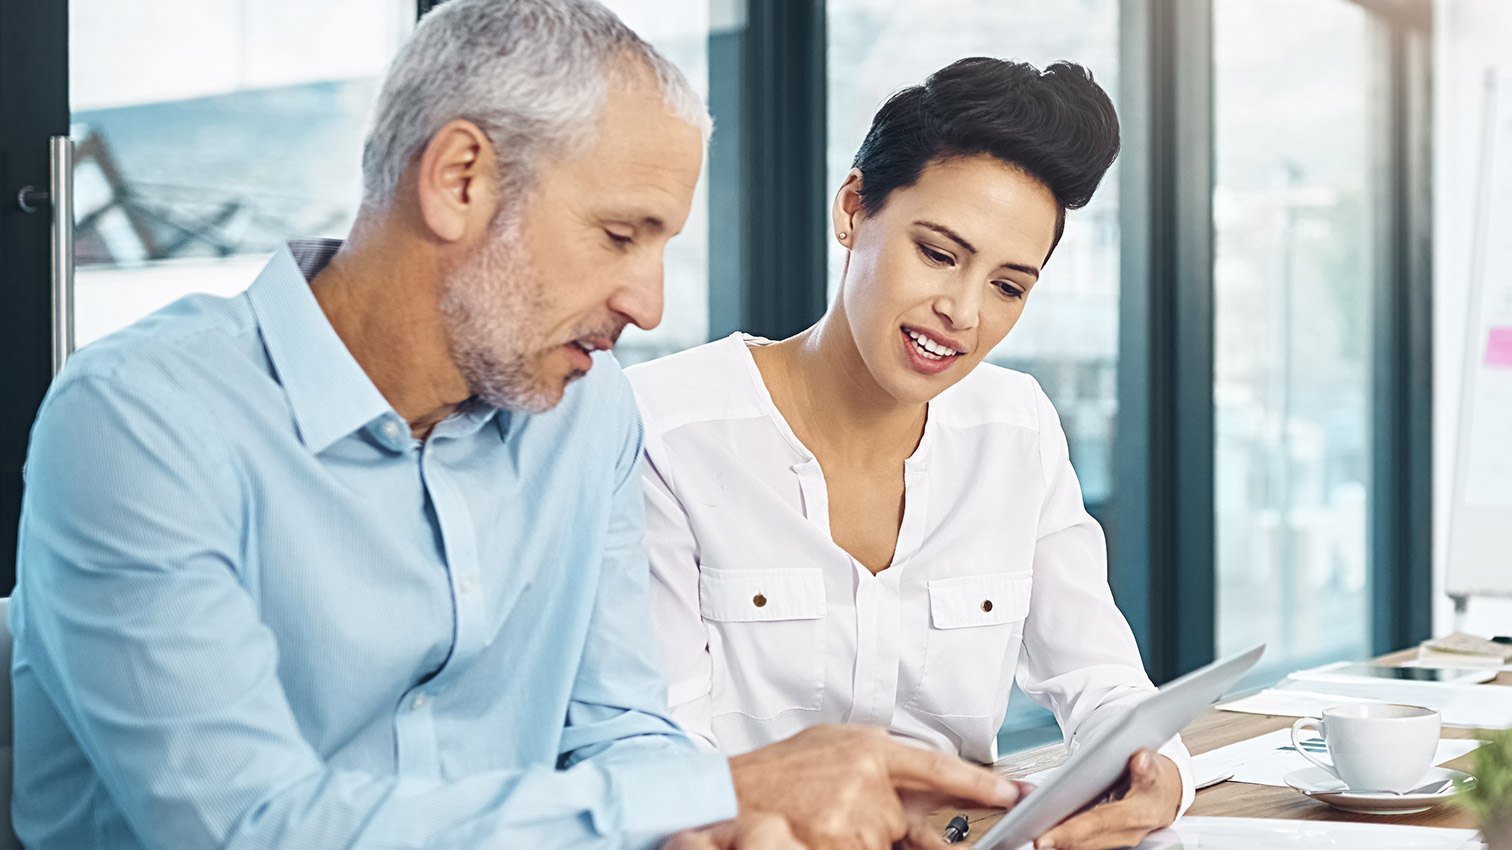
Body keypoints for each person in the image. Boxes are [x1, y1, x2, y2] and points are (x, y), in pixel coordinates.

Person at [7, 2, 1018, 849]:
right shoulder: (138, 423)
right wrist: (711, 795)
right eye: (622, 235)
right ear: (458, 181)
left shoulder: (588, 415)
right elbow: (253, 827)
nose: (650, 303)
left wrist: (727, 827)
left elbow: (617, 724)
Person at [627, 58, 1192, 850]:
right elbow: (653, 746)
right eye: (938, 253)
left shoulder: (1017, 428)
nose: (961, 313)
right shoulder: (664, 430)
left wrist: (1154, 767)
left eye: (1007, 287)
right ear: (853, 209)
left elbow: (1096, 674)